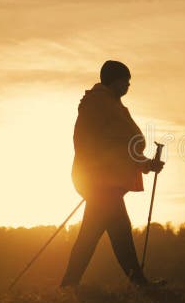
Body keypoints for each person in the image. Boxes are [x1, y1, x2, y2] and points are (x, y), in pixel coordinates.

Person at [60, 60, 165, 288]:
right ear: (113, 81)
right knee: (115, 232)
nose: (128, 85)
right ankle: (138, 282)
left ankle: (69, 284)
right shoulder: (100, 105)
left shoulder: (110, 104)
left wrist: (145, 164)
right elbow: (107, 145)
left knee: (102, 233)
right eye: (125, 81)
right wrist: (143, 164)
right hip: (99, 181)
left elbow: (121, 147)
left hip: (102, 179)